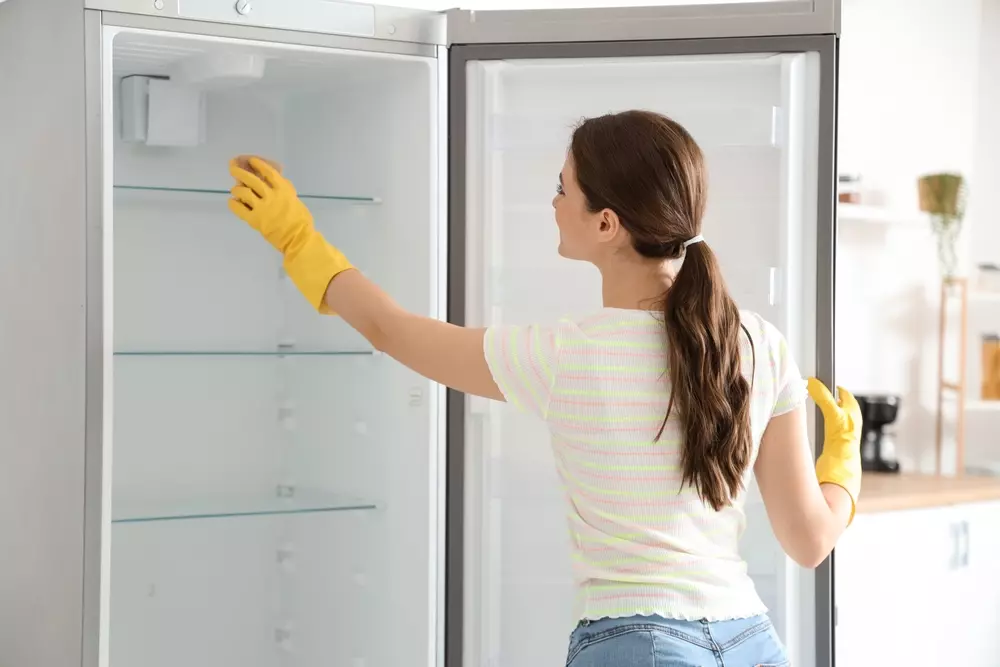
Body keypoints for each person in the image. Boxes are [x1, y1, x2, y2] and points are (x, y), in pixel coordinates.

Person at [227, 109, 862, 667]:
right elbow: (809, 541)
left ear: (607, 223)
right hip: (750, 639)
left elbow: (391, 331)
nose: (554, 201)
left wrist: (297, 239)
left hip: (639, 648)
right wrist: (842, 471)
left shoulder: (566, 355)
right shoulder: (759, 342)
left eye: (563, 188)